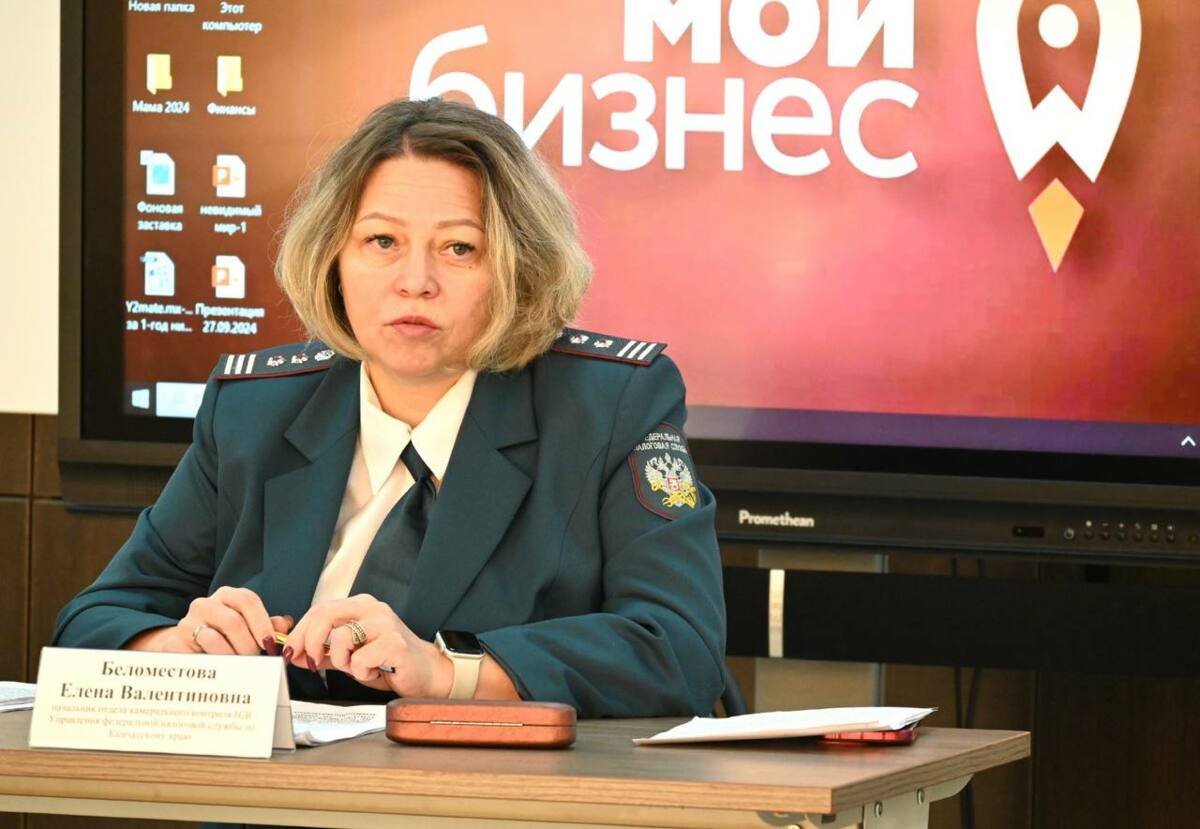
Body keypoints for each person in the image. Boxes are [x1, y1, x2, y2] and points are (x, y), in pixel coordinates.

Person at [53, 97, 726, 718]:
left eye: (459, 248)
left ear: (518, 267)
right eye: (382, 242)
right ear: (333, 257)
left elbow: (678, 648)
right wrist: (181, 646)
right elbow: (92, 623)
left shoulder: (609, 405)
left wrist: (445, 671)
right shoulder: (253, 410)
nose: (415, 282)